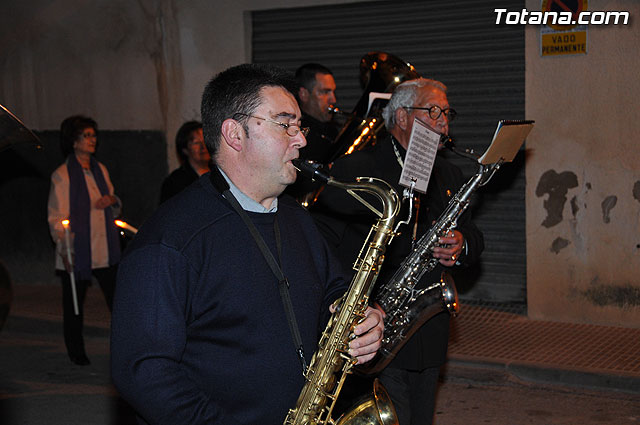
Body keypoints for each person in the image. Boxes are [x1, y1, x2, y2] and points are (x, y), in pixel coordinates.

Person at [110, 63, 385, 425]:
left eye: (299, 126)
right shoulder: (170, 241)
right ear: (234, 134)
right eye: (285, 123)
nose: (301, 139)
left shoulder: (296, 218)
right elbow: (144, 371)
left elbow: (335, 288)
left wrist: (366, 319)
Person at [311, 78, 484, 425]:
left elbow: (475, 236)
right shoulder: (356, 169)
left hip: (427, 330)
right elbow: (320, 243)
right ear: (402, 116)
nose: (443, 122)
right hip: (373, 327)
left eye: (447, 113)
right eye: (433, 111)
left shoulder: (449, 173)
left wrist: (463, 245)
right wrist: (353, 301)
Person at [47, 115, 121, 366]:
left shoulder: (100, 169)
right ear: (73, 141)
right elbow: (57, 216)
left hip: (105, 247)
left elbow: (113, 202)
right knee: (74, 304)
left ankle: (126, 343)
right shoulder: (62, 175)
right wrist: (65, 248)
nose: (92, 140)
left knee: (118, 299)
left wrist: (112, 202)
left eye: (93, 135)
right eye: (86, 136)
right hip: (78, 249)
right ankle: (76, 350)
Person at [285, 63, 341, 201]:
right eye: (324, 92)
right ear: (304, 94)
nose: (333, 100)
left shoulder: (332, 130)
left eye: (333, 92)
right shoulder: (293, 132)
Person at [159, 120, 210, 203]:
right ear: (185, 150)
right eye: (196, 143)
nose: (203, 146)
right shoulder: (175, 182)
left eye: (205, 141)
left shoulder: (219, 174)